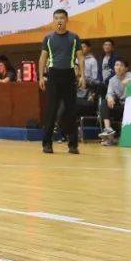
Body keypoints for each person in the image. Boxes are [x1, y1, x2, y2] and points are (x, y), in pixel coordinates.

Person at [38, 9, 85, 155]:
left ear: (66, 20)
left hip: (69, 75)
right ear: (53, 20)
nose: (59, 21)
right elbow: (42, 58)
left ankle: (73, 145)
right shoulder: (48, 38)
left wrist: (83, 76)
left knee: (71, 111)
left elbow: (81, 58)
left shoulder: (74, 37)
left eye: (62, 18)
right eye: (56, 18)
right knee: (51, 111)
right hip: (53, 75)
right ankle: (47, 144)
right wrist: (41, 77)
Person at [99, 58, 131, 145]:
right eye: (116, 65)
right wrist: (109, 97)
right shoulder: (112, 80)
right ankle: (108, 130)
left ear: (126, 68)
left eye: (121, 65)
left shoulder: (129, 75)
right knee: (104, 102)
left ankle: (110, 139)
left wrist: (130, 80)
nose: (118, 67)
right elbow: (109, 93)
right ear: (114, 67)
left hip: (130, 107)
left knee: (106, 102)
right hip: (120, 107)